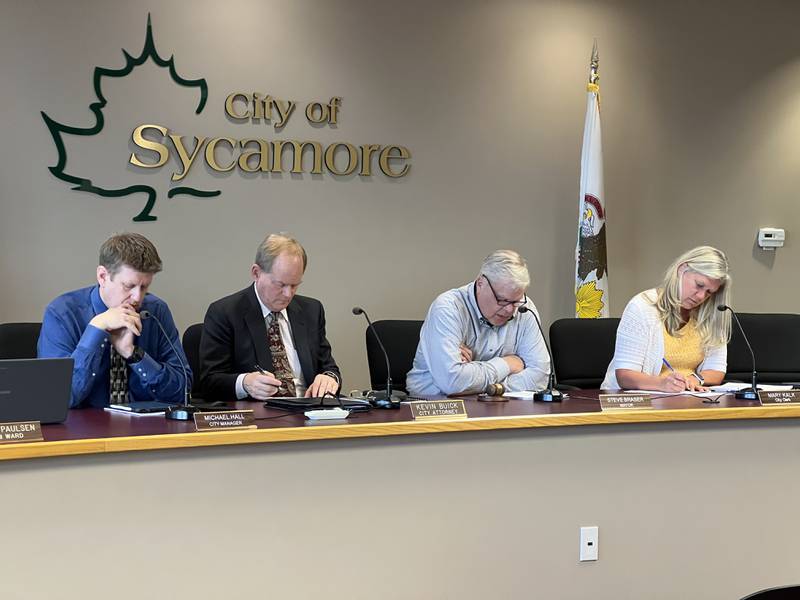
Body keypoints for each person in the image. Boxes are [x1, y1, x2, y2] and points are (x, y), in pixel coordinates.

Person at [37, 233, 190, 408]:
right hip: (82, 430)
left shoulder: (155, 311)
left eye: (144, 286)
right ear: (102, 276)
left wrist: (133, 354)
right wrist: (96, 330)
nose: (137, 297)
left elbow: (182, 391)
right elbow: (58, 399)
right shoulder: (62, 314)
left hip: (146, 428)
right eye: (129, 286)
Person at [199, 233, 340, 401]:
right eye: (280, 284)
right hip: (260, 417)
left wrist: (329, 378)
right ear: (256, 273)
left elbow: (328, 367)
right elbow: (209, 381)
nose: (288, 294)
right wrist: (244, 383)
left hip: (309, 412)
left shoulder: (312, 310)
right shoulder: (225, 312)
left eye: (294, 285)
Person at [406, 249, 550, 396]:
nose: (509, 310)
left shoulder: (524, 309)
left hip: (501, 406)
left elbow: (540, 377)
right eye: (502, 300)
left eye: (515, 301)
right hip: (437, 407)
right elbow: (452, 382)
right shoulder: (449, 308)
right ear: (481, 283)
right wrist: (506, 364)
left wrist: (492, 389)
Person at [601, 245, 732, 392]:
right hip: (636, 402)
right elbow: (625, 376)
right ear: (682, 269)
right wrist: (661, 384)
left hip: (686, 400)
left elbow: (716, 370)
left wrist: (695, 379)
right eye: (699, 285)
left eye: (709, 292)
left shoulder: (712, 313)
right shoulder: (642, 307)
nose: (701, 296)